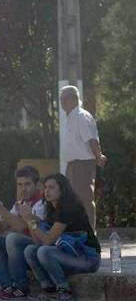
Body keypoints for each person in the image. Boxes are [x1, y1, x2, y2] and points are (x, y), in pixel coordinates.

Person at [21, 173, 101, 301]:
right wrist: (31, 220)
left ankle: (64, 291)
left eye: (51, 187)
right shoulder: (52, 209)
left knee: (44, 251)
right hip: (69, 255)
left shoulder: (69, 208)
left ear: (62, 189)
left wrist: (30, 222)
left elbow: (47, 241)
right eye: (45, 187)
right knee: (30, 250)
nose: (47, 191)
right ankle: (48, 289)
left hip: (88, 259)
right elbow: (39, 242)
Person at [0, 165, 46, 299]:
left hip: (36, 249)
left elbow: (22, 227)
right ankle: (7, 287)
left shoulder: (42, 203)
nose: (23, 188)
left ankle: (20, 286)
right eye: (20, 184)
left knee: (12, 238)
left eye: (27, 184)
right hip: (19, 251)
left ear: (37, 184)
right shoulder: (20, 203)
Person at [59, 85, 107, 232]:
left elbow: (91, 139)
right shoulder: (70, 117)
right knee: (70, 200)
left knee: (84, 200)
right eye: (61, 99)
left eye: (64, 98)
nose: (61, 102)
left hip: (83, 165)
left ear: (74, 98)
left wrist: (98, 156)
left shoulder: (81, 116)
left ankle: (89, 235)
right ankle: (76, 233)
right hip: (72, 165)